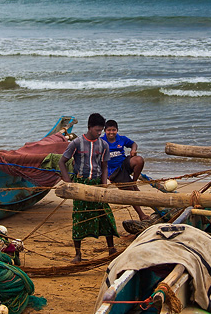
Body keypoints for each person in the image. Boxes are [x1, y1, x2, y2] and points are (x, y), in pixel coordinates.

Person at [59, 113, 118, 263]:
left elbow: (104, 166)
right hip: (81, 184)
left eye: (101, 131)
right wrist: (68, 183)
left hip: (97, 183)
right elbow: (62, 162)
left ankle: (111, 248)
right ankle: (78, 254)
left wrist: (104, 184)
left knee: (105, 214)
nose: (99, 133)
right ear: (89, 127)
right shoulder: (76, 143)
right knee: (79, 218)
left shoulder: (103, 145)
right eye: (97, 130)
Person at [102, 120, 150, 221]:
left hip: (124, 165)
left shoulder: (122, 139)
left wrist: (133, 150)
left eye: (113, 130)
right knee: (131, 193)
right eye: (109, 130)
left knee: (139, 160)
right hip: (113, 172)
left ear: (117, 130)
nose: (111, 132)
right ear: (104, 131)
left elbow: (133, 144)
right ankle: (142, 215)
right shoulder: (101, 141)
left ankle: (134, 182)